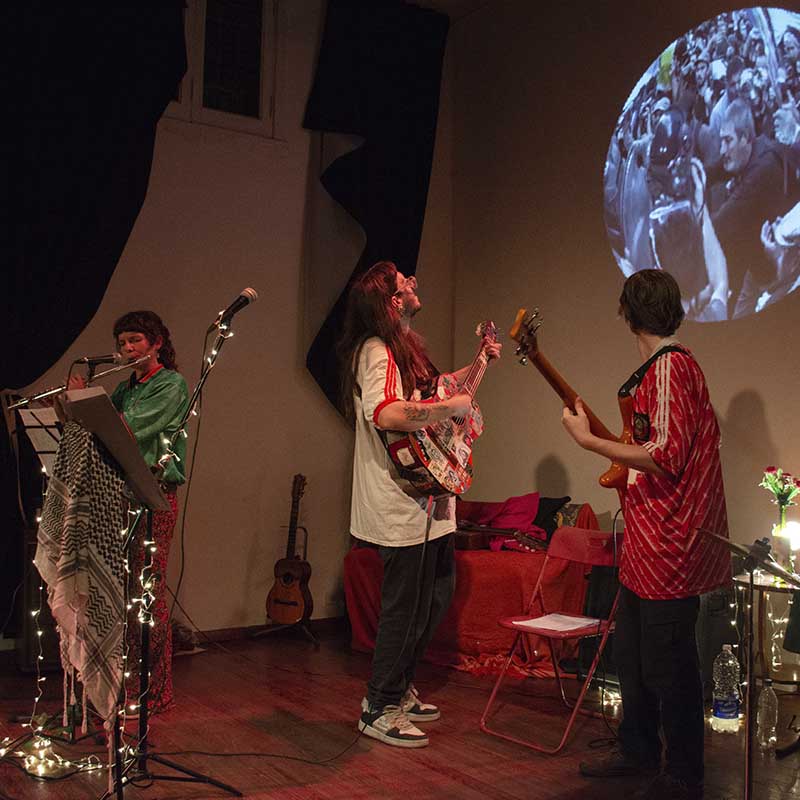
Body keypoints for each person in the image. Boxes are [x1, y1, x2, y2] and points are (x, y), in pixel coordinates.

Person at [561, 270, 730, 800]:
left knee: (669, 663)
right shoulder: (661, 368)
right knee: (633, 656)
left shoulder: (672, 368)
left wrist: (590, 443)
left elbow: (667, 455)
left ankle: (683, 773)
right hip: (648, 540)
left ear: (628, 314)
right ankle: (637, 748)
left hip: (669, 545)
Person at [338, 260, 500, 748]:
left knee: (435, 596)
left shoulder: (404, 346)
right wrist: (449, 408)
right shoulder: (376, 349)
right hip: (399, 499)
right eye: (402, 282)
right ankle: (378, 705)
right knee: (405, 607)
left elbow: (436, 391)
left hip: (430, 499)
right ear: (392, 301)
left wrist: (477, 365)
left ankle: (399, 687)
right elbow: (386, 412)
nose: (412, 282)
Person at [70, 310, 189, 713]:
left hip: (153, 493)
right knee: (120, 593)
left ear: (157, 343)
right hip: (118, 493)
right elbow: (101, 430)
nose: (127, 349)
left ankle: (156, 691)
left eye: (135, 340)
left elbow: (129, 429)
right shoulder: (124, 387)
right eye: (122, 343)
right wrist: (73, 405)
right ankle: (122, 684)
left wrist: (86, 404)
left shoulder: (171, 384)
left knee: (147, 591)